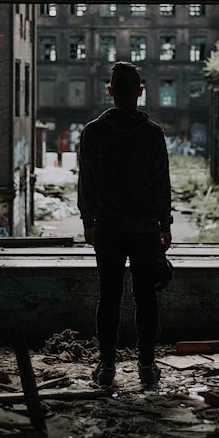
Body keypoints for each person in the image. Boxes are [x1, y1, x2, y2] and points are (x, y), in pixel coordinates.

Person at [77, 61, 172, 388]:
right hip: (145, 229)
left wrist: (87, 220)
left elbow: (85, 182)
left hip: (108, 228)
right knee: (146, 298)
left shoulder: (93, 132)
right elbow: (161, 183)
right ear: (141, 93)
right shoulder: (152, 134)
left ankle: (107, 367)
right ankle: (146, 367)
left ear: (111, 91)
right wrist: (166, 224)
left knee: (109, 295)